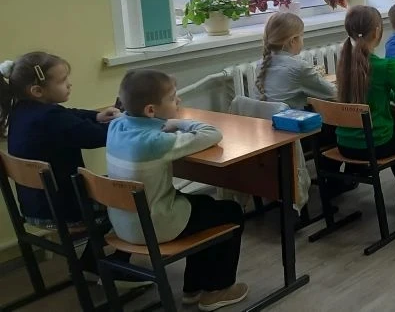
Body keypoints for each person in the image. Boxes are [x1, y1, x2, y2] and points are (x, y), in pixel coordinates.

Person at [0, 53, 149, 289]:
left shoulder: (22, 110)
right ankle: (107, 267)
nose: (69, 84)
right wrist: (129, 122)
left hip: (35, 206)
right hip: (66, 209)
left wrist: (97, 115)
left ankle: (90, 264)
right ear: (37, 90)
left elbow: (70, 114)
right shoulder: (50, 117)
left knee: (116, 190)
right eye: (62, 81)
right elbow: (99, 137)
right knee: (133, 198)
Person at [107, 69, 248, 310]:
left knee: (204, 205)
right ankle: (217, 289)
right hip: (154, 226)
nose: (179, 100)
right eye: (173, 98)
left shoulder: (116, 126)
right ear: (151, 110)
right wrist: (178, 122)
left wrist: (163, 122)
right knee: (231, 211)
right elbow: (212, 134)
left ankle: (193, 289)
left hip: (122, 224)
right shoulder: (156, 143)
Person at [336, 5, 395, 214]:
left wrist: (386, 95)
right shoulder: (385, 67)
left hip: (344, 144)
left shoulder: (343, 64)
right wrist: (392, 95)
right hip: (373, 144)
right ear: (377, 31)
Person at [256, 12, 336, 109]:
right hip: (292, 118)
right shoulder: (298, 67)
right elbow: (332, 93)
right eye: (302, 35)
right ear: (293, 40)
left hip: (266, 118)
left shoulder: (260, 64)